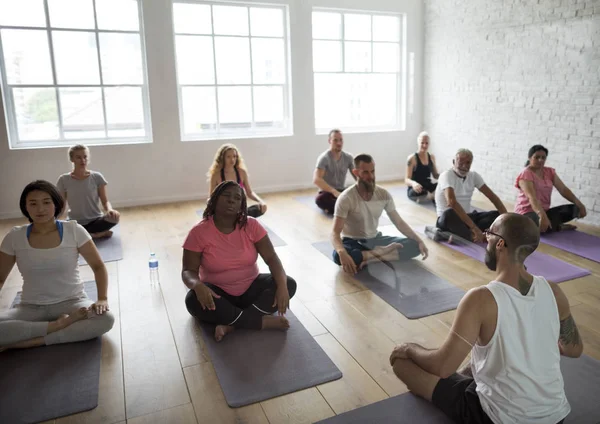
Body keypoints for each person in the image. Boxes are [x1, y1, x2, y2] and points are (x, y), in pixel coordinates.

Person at [390, 213, 581, 424]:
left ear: (500, 243)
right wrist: (539, 342)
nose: (484, 237)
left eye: (488, 233)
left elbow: (442, 367)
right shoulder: (553, 291)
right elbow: (574, 348)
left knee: (402, 362)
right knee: (481, 358)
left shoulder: (480, 299)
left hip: (497, 418)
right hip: (556, 416)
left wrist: (409, 348)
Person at [0, 180, 115, 352]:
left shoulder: (74, 230)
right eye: (33, 203)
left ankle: (33, 341)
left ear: (56, 204)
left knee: (106, 318)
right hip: (31, 308)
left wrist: (102, 298)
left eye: (46, 202)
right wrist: (60, 324)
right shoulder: (14, 237)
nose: (40, 209)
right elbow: (0, 278)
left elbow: (98, 266)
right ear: (25, 207)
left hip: (73, 302)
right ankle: (59, 325)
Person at [182, 181, 297, 342]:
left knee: (289, 283)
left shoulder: (252, 225)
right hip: (217, 294)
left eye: (237, 198)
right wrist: (197, 285)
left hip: (251, 288)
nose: (231, 201)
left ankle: (233, 324)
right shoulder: (198, 232)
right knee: (192, 300)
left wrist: (283, 285)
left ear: (241, 205)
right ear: (214, 200)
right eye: (226, 196)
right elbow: (188, 271)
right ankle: (259, 321)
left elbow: (271, 258)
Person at [331, 154, 429, 274]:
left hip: (375, 240)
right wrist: (341, 251)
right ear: (356, 173)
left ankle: (373, 258)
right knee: (337, 255)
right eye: (365, 172)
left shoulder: (383, 194)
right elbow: (335, 233)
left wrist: (419, 241)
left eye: (372, 171)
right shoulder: (346, 198)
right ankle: (381, 253)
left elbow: (399, 222)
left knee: (414, 246)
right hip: (353, 241)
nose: (371, 176)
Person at [428, 149, 507, 243]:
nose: (464, 166)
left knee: (497, 216)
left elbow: (493, 197)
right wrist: (474, 228)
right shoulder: (446, 175)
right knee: (449, 214)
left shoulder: (474, 176)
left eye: (468, 162)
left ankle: (463, 236)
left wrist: (506, 220)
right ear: (453, 162)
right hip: (448, 220)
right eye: (461, 162)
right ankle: (475, 235)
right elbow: (452, 202)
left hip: (467, 218)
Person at [515, 145, 587, 232]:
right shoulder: (525, 174)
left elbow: (563, 189)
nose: (540, 160)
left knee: (576, 209)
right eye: (537, 157)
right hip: (526, 212)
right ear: (529, 158)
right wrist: (542, 215)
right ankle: (557, 227)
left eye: (543, 158)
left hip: (545, 211)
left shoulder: (549, 172)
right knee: (534, 224)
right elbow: (532, 197)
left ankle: (549, 225)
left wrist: (579, 204)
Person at [57, 144, 120, 239]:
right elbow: (62, 204)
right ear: (72, 159)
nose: (83, 160)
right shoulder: (63, 179)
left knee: (116, 217)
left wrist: (110, 210)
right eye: (78, 157)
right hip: (75, 222)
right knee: (62, 229)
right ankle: (97, 234)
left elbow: (105, 201)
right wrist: (54, 220)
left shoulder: (97, 177)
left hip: (96, 220)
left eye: (85, 157)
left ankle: (87, 235)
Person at [207, 144, 267, 218]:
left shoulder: (242, 172)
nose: (232, 160)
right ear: (222, 158)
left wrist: (261, 201)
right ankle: (237, 219)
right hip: (224, 209)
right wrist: (210, 204)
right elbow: (211, 197)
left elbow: (250, 192)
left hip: (239, 208)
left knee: (261, 208)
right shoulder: (216, 175)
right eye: (228, 157)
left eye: (234, 156)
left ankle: (238, 218)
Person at [313, 129, 355, 214]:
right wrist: (334, 191)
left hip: (342, 191)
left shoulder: (348, 157)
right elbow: (317, 180)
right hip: (328, 192)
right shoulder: (324, 158)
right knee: (320, 199)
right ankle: (344, 208)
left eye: (341, 140)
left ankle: (342, 207)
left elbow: (357, 175)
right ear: (330, 141)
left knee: (356, 193)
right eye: (335, 140)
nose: (339, 143)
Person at [405, 131, 440, 203]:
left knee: (443, 186)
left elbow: (435, 175)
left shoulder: (431, 157)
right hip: (417, 188)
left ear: (429, 144)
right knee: (417, 192)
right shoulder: (412, 158)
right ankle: (429, 196)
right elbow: (407, 179)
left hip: (428, 185)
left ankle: (429, 196)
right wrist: (414, 184)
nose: (424, 145)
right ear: (418, 143)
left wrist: (446, 176)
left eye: (426, 143)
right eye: (422, 143)